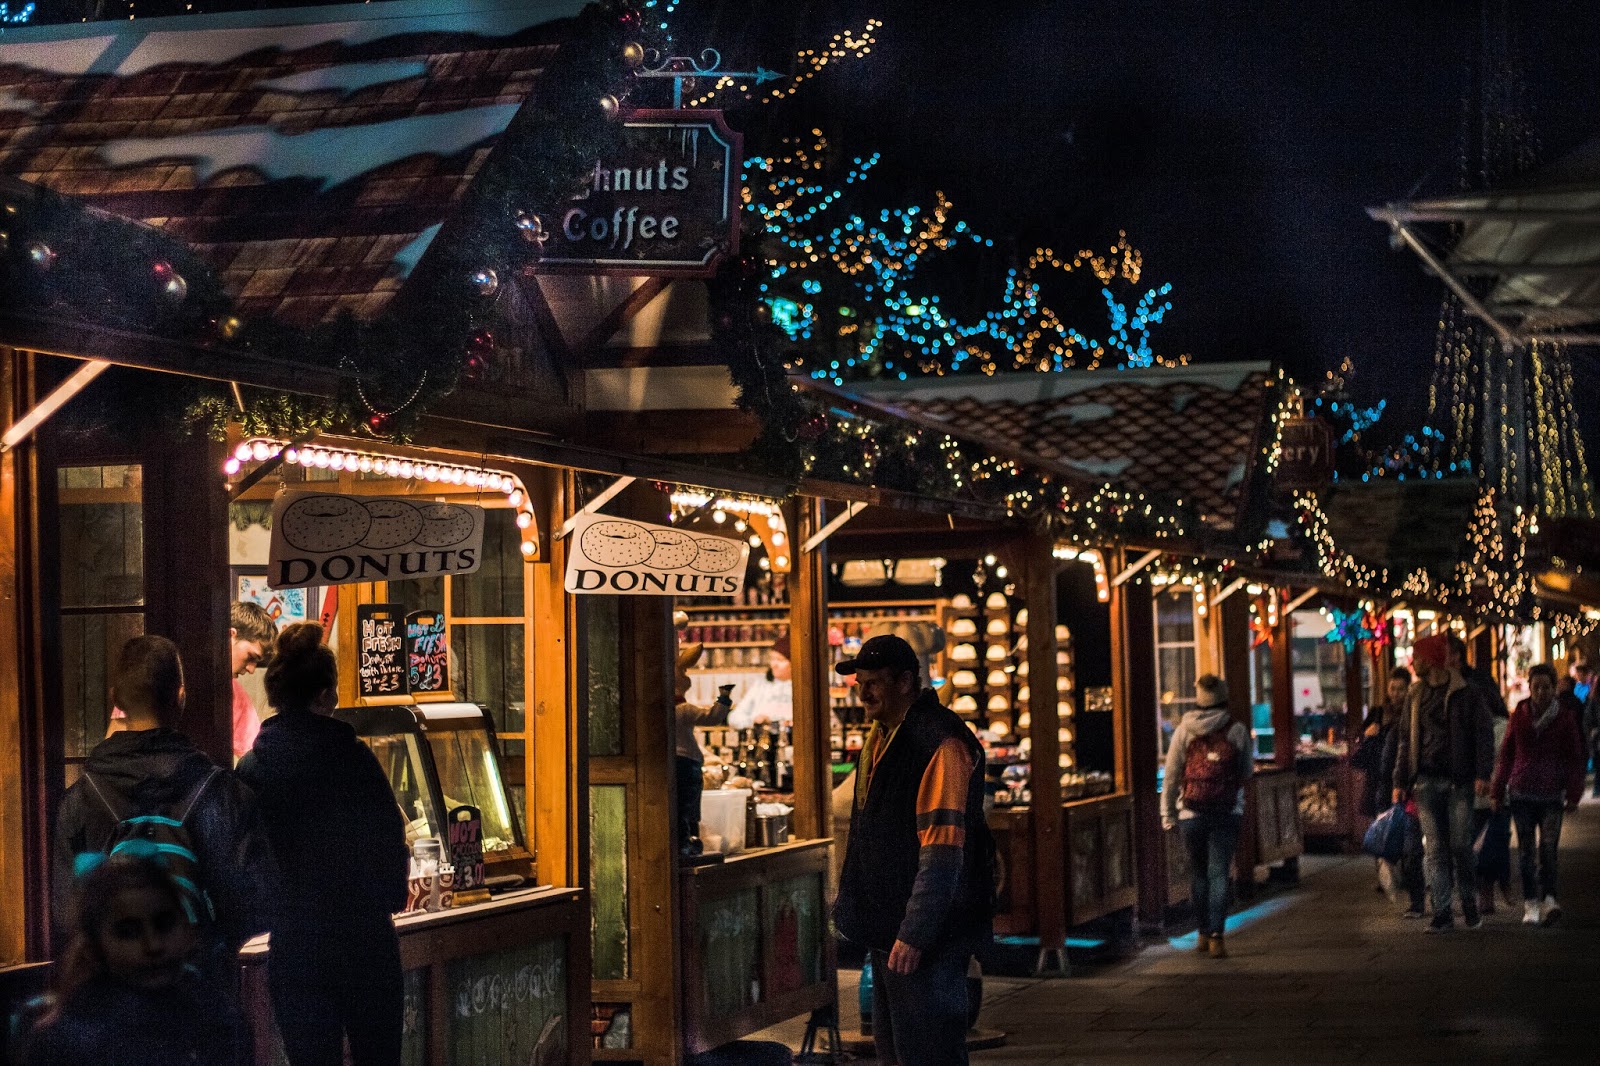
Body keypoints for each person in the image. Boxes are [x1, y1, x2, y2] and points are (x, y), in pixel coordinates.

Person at [53, 635, 276, 981]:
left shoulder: (79, 800)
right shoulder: (225, 795)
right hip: (202, 997)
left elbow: (67, 916)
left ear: (115, 700)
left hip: (113, 1002)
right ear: (181, 697)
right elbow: (255, 908)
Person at [237, 623, 408, 1066]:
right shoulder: (355, 761)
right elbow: (391, 844)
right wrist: (386, 898)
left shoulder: (253, 768)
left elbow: (247, 858)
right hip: (365, 942)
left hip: (295, 944)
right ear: (326, 696)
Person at [833, 635, 994, 1066]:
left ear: (905, 682)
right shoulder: (884, 737)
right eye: (860, 683)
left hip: (927, 937)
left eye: (874, 683)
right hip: (889, 927)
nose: (864, 693)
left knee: (929, 1053)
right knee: (898, 1053)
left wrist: (915, 931)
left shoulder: (937, 743)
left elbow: (942, 851)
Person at [14, 855, 249, 1066]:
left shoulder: (218, 1020)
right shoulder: (66, 1039)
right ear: (94, 947)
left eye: (164, 924)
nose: (153, 945)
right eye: (128, 932)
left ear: (188, 927)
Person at [1392, 634, 1495, 933]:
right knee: (1435, 850)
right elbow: (1405, 740)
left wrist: (1482, 774)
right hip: (1424, 782)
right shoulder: (1415, 695)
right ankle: (1442, 912)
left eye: (1418, 657)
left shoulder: (1467, 693)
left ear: (1432, 659)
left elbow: (1483, 735)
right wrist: (1400, 780)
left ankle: (1469, 904)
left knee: (1461, 845)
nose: (1413, 663)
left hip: (1458, 783)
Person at [1161, 675, 1252, 958]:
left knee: (1198, 873)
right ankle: (1217, 936)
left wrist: (1168, 813)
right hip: (1227, 811)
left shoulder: (1184, 731)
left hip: (1191, 812)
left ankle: (1201, 933)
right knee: (1219, 873)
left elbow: (1172, 775)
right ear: (1224, 697)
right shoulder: (1236, 730)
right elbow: (1247, 771)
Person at [1491, 664, 1587, 926]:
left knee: (1548, 849)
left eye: (1546, 687)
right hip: (1521, 791)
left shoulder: (1564, 718)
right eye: (1537, 687)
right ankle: (1531, 901)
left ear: (1554, 688)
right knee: (1525, 851)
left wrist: (1573, 793)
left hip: (1551, 793)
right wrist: (1498, 790)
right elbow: (1507, 755)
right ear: (1530, 688)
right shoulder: (1519, 715)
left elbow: (1574, 757)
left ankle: (1549, 898)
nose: (1541, 692)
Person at [230, 601, 278, 763]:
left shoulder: (236, 694)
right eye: (251, 657)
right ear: (230, 635)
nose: (251, 670)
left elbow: (256, 755)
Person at [674, 642, 709, 857]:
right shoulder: (684, 710)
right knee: (688, 803)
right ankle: (686, 841)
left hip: (686, 761)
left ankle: (686, 840)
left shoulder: (679, 710)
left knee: (686, 803)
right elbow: (711, 717)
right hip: (688, 762)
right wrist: (724, 700)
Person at [727, 634, 794, 729]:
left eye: (780, 660)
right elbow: (734, 718)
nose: (774, 664)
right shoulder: (761, 685)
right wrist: (754, 720)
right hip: (764, 739)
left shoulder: (803, 687)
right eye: (772, 659)